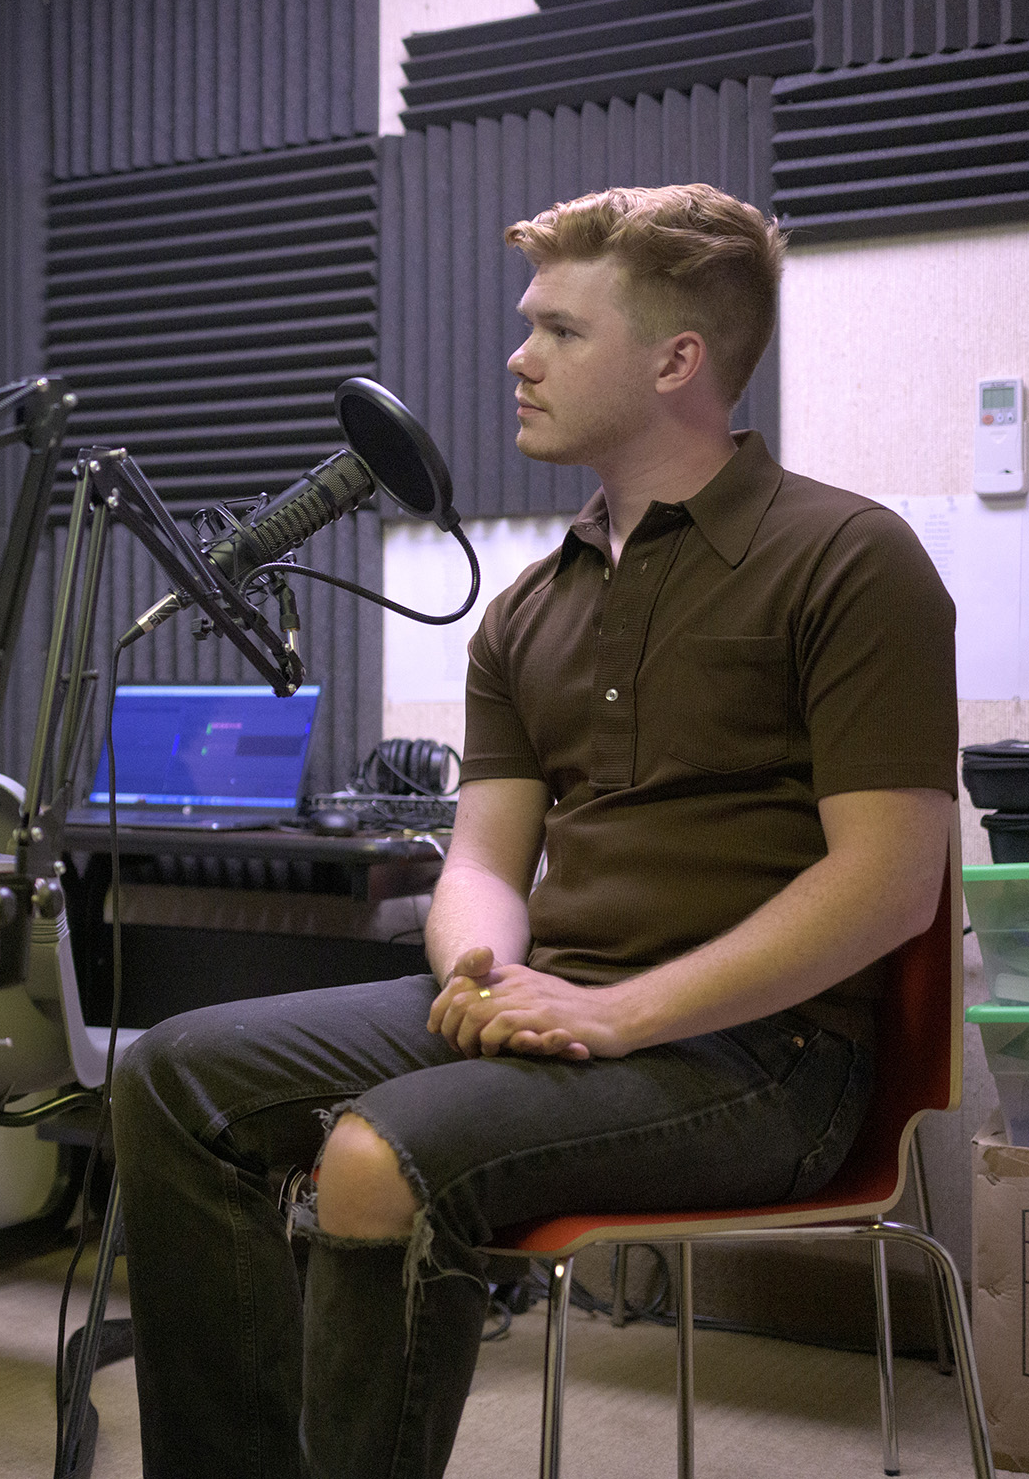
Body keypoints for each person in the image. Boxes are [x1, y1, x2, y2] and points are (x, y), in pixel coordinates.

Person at [111, 183, 957, 1479]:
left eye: (559, 330)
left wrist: (620, 1014)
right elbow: (487, 860)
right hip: (565, 1004)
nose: (517, 357)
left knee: (378, 1156)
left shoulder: (851, 559)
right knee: (171, 1077)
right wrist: (477, 969)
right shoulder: (524, 611)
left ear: (678, 360)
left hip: (770, 1058)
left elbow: (892, 882)